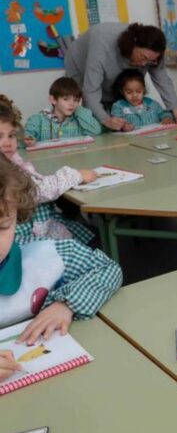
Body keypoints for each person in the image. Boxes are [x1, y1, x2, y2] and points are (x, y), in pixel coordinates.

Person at [0, 157, 122, 380]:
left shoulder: (48, 255)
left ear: (18, 215)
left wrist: (66, 303)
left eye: (1, 226)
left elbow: (107, 269)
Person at [1, 96, 95, 244]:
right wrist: (75, 175)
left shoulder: (12, 158)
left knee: (87, 233)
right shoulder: (3, 172)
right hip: (26, 235)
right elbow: (36, 192)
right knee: (89, 244)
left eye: (11, 135)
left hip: (41, 222)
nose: (7, 143)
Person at [64, 22, 177, 131]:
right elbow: (90, 91)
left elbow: (163, 81)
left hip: (114, 74)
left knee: (124, 98)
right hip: (79, 63)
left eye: (150, 61)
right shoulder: (102, 42)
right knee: (98, 121)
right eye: (143, 57)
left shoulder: (153, 53)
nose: (144, 64)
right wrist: (107, 120)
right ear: (132, 45)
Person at [23, 77, 101, 145]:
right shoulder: (37, 119)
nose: (72, 104)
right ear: (53, 99)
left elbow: (95, 131)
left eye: (75, 100)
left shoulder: (80, 119)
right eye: (66, 99)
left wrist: (79, 108)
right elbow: (28, 135)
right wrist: (29, 139)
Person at [110, 69, 175, 131]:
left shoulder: (151, 103)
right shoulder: (118, 106)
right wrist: (123, 126)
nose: (134, 95)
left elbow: (163, 113)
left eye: (138, 91)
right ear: (122, 91)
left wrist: (167, 118)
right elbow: (115, 123)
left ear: (143, 90)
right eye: (129, 92)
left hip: (153, 138)